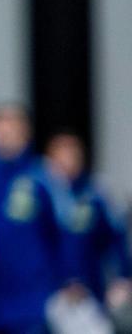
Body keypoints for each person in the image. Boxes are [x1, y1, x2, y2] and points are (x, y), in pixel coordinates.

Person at [0, 104, 68, 334]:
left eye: (11, 128)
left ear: (25, 133)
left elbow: (63, 233)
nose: (3, 134)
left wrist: (60, 281)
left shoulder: (42, 178)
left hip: (28, 303)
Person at [43, 131, 132, 318]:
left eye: (72, 155)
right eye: (60, 156)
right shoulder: (40, 195)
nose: (67, 162)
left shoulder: (95, 194)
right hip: (47, 295)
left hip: (90, 293)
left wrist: (123, 277)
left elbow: (116, 237)